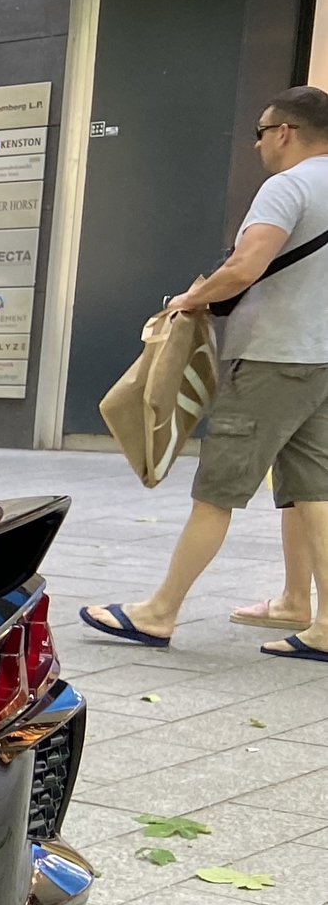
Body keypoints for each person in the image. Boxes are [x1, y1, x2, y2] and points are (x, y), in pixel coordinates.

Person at [83, 86, 328, 656]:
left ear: (284, 132)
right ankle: (315, 616)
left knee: (217, 490)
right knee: (316, 489)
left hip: (272, 358)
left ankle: (158, 612)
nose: (258, 144)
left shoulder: (287, 186)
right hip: (320, 361)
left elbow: (246, 264)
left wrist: (189, 301)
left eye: (261, 133)